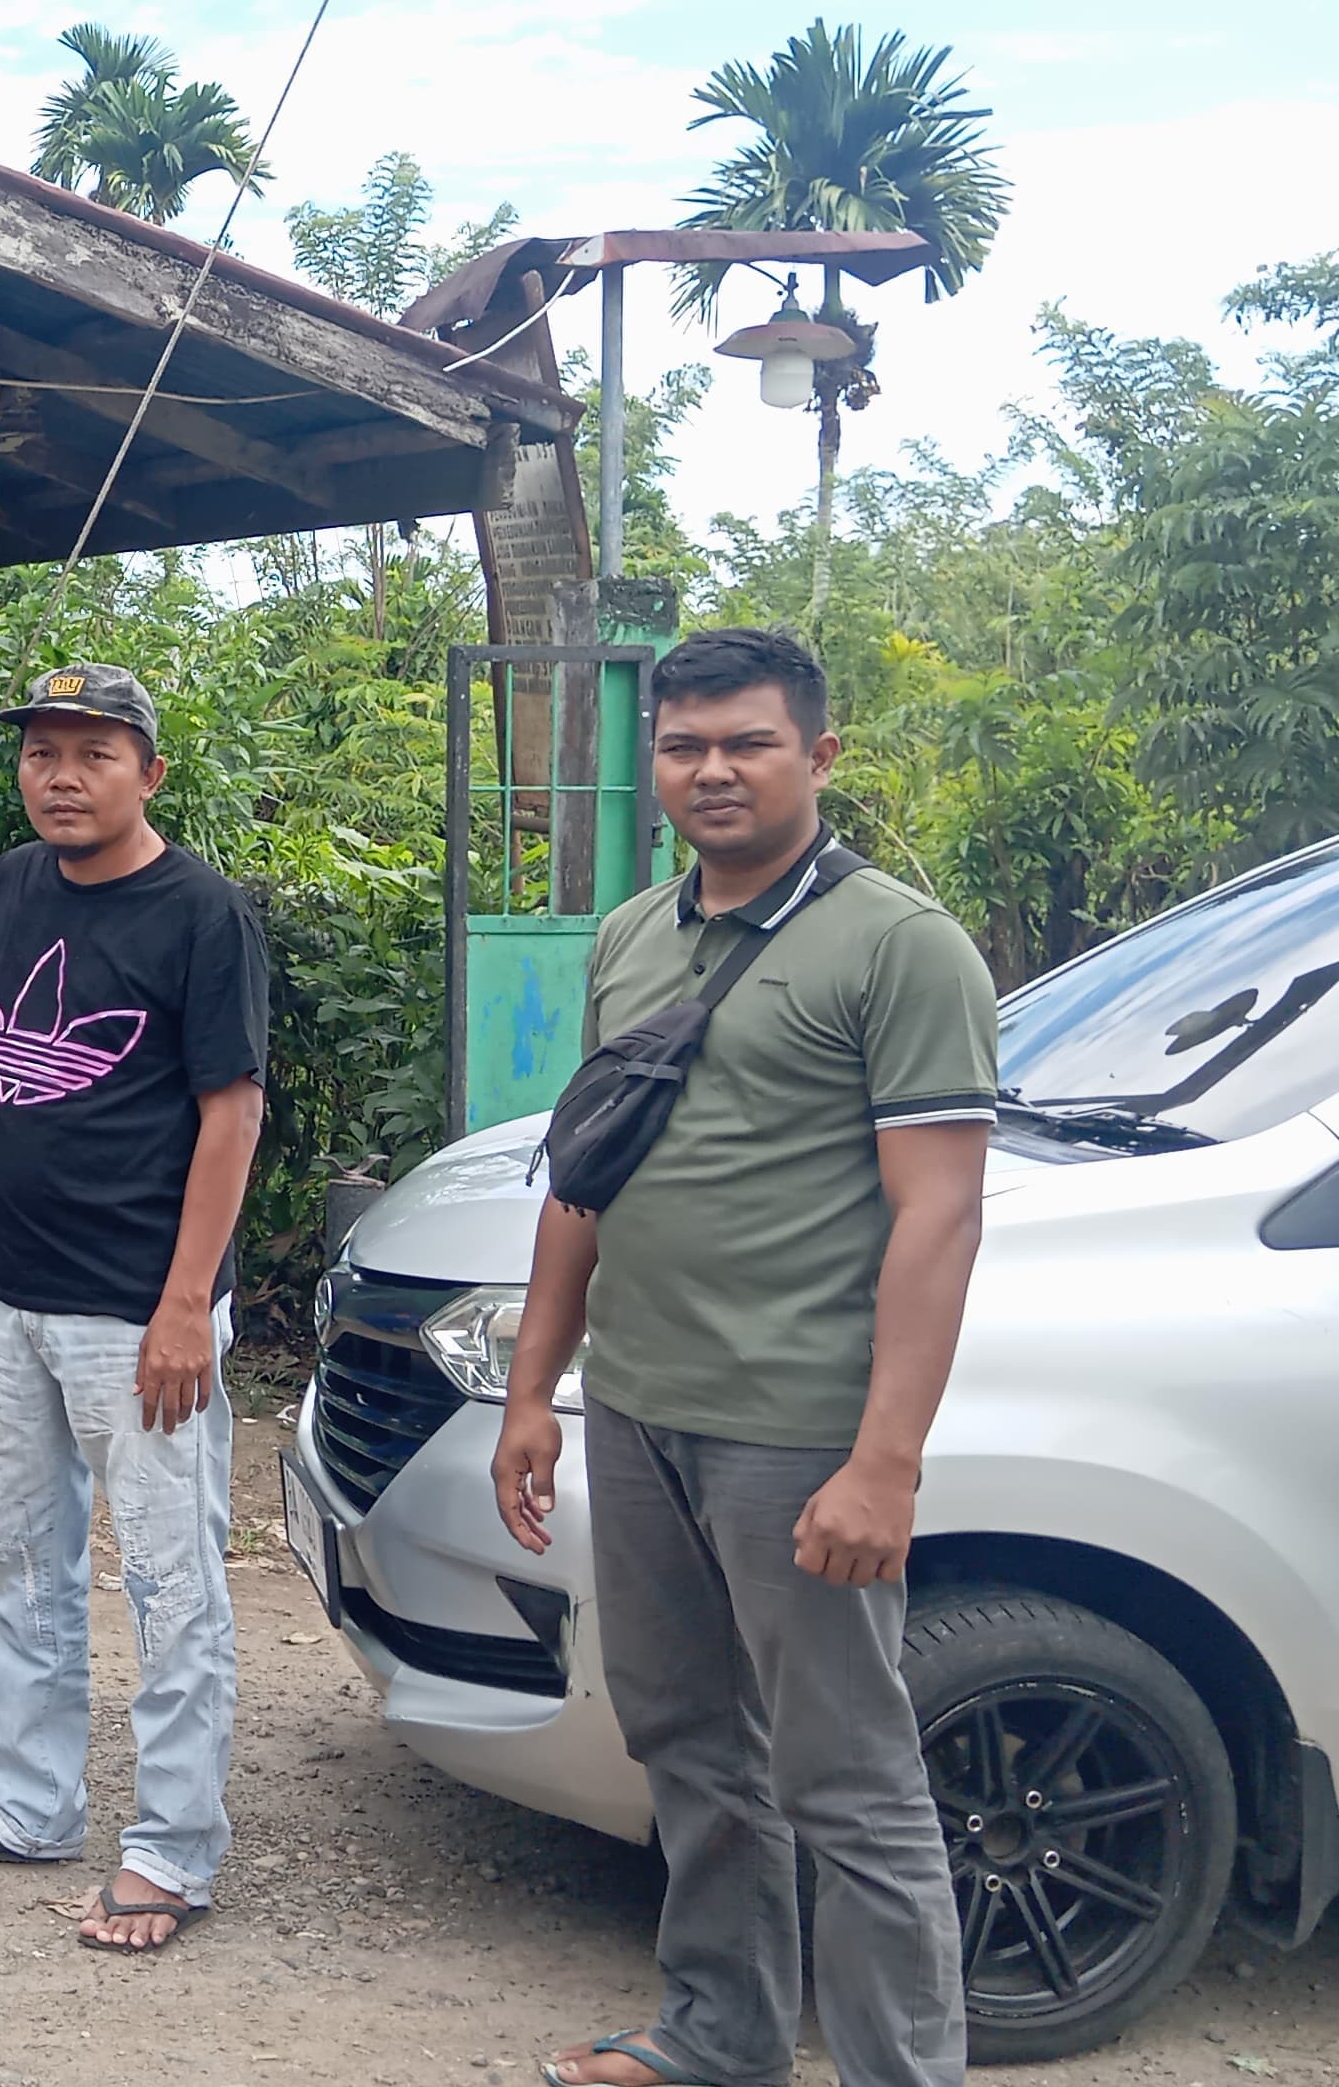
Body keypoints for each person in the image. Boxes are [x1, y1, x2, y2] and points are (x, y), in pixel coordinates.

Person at [499, 628, 994, 2087]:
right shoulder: (630, 936)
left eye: (749, 742)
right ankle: (722, 2033)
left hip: (797, 1430)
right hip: (639, 1405)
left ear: (818, 755)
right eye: (685, 745)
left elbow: (941, 1215)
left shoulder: (900, 946)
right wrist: (534, 1389)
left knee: (849, 1780)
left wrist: (884, 1460)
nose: (713, 770)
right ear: (653, 761)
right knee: (687, 1741)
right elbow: (586, 1177)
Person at [0, 663, 269, 1956]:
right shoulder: (13, 884)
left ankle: (171, 1850)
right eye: (41, 753)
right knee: (22, 1560)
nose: (60, 777)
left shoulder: (202, 912)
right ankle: (31, 1804)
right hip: (13, 1295)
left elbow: (232, 1111)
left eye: (93, 753)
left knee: (169, 1581)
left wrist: (185, 1302)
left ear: (149, 773)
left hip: (137, 1315)